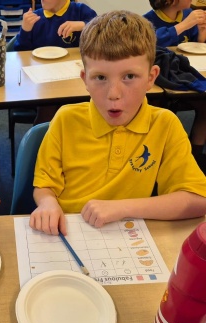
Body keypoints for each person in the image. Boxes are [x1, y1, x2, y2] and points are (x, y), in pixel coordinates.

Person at [29, 10, 206, 236]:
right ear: (85, 79)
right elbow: (45, 185)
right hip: (68, 231)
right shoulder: (65, 119)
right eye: (100, 78)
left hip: (127, 234)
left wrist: (122, 208)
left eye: (129, 77)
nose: (113, 94)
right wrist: (47, 203)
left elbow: (197, 200)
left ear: (151, 78)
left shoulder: (165, 125)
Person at [143, 0, 206, 172]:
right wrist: (185, 25)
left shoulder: (187, 14)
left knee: (204, 104)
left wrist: (201, 34)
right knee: (156, 108)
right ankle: (157, 157)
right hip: (162, 79)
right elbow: (149, 43)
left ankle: (196, 155)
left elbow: (195, 45)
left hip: (185, 74)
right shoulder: (147, 21)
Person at [13, 0, 96, 125]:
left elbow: (100, 30)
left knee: (78, 112)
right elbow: (20, 53)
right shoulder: (36, 17)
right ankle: (43, 132)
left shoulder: (80, 11)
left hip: (75, 80)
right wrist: (25, 30)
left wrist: (83, 25)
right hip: (43, 81)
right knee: (47, 106)